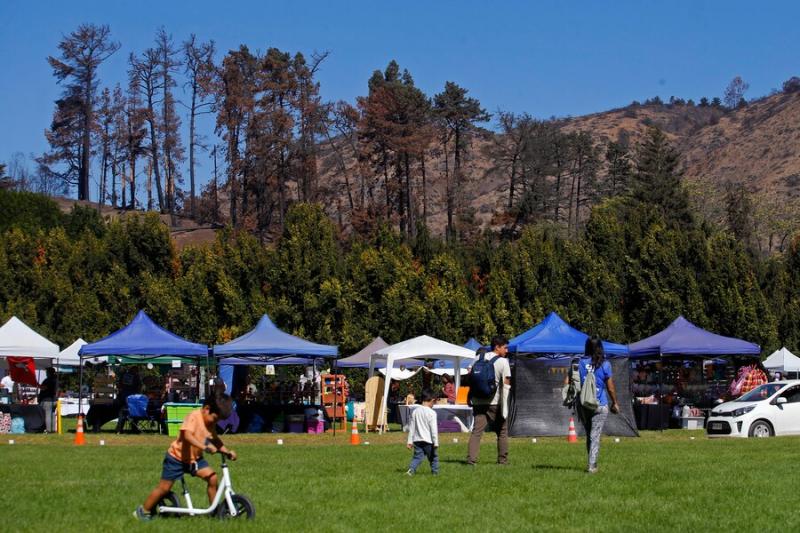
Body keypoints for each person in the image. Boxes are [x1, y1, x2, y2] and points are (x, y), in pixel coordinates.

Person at [135, 394, 237, 521]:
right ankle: (143, 511)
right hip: (176, 459)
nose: (215, 422)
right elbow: (187, 436)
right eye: (215, 418)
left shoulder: (210, 424)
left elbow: (216, 441)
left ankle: (214, 511)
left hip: (195, 460)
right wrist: (205, 447)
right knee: (164, 488)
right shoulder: (194, 416)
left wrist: (227, 452)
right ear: (206, 408)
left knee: (212, 478)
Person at [466, 335, 511, 465]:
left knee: (476, 432)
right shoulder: (503, 362)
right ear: (497, 347)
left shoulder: (477, 358)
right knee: (502, 431)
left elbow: (470, 379)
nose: (507, 350)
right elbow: (507, 384)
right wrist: (505, 406)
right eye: (505, 347)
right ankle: (502, 460)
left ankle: (471, 460)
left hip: (478, 401)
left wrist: (470, 397)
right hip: (495, 402)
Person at [578, 336, 620, 474]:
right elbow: (610, 387)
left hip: (584, 404)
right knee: (595, 436)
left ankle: (591, 462)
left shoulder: (579, 362)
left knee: (590, 435)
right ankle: (592, 466)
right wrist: (615, 402)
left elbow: (570, 381)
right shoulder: (605, 364)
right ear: (600, 348)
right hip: (599, 404)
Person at [406, 388, 439, 475]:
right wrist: (436, 442)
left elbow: (412, 428)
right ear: (432, 400)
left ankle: (411, 470)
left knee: (417, 457)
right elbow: (434, 430)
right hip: (429, 441)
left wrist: (409, 441)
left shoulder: (415, 411)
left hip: (417, 441)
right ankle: (435, 473)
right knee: (433, 458)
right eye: (434, 402)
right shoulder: (432, 413)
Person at [38, 367, 58, 432]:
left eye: (46, 372)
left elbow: (44, 388)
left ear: (49, 373)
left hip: (47, 400)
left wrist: (38, 385)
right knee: (52, 415)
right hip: (54, 400)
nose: (46, 373)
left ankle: (48, 430)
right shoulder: (56, 380)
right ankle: (53, 429)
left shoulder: (48, 380)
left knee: (47, 415)